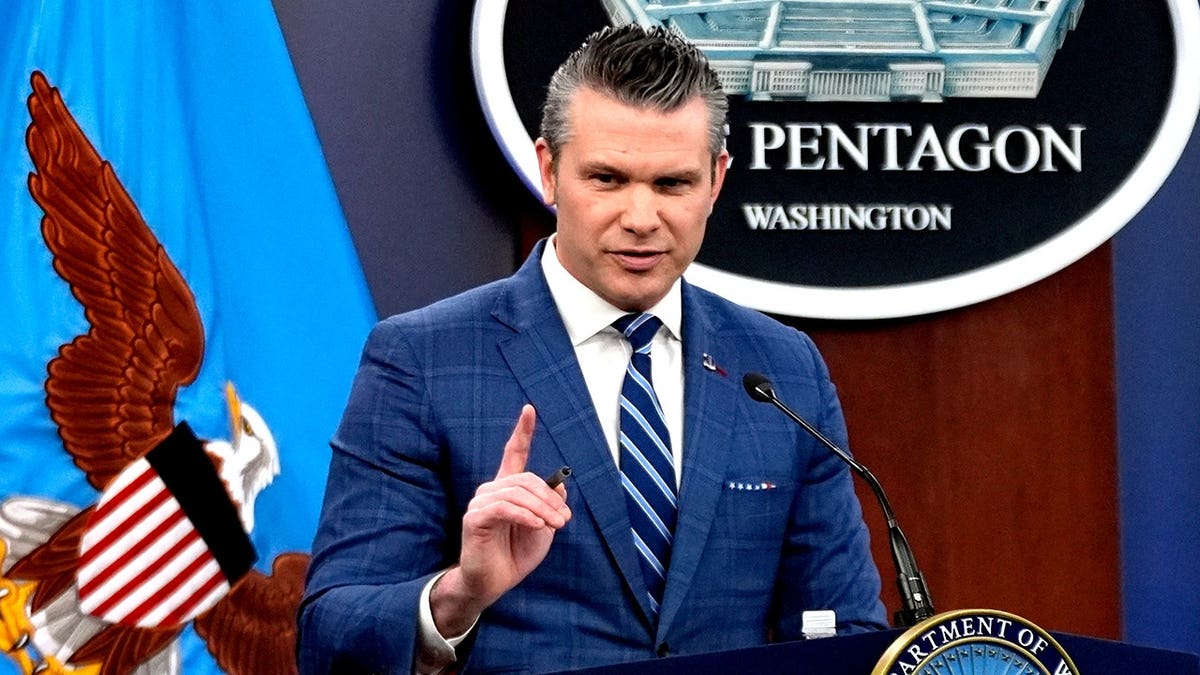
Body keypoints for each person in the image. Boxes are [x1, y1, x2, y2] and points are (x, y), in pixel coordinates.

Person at [298, 23, 887, 674]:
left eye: (672, 184)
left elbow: (849, 630)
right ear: (549, 170)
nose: (640, 217)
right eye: (607, 178)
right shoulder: (422, 359)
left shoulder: (781, 367)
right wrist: (457, 597)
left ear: (715, 181)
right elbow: (328, 634)